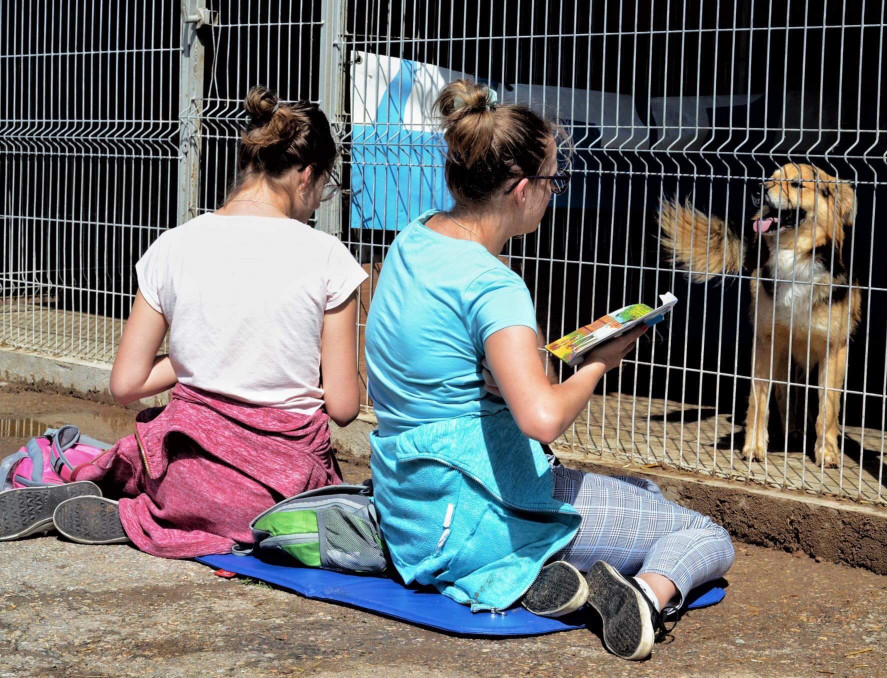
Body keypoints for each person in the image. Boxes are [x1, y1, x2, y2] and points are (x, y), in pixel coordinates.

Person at [363, 80, 734, 661]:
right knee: (702, 533)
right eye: (553, 181)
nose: (555, 193)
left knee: (645, 492)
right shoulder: (493, 285)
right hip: (479, 517)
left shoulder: (415, 238)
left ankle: (541, 575)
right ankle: (641, 595)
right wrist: (598, 363)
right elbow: (540, 420)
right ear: (519, 189)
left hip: (411, 507)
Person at [0, 86, 367, 557]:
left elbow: (127, 384)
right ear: (306, 176)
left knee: (146, 446)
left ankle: (135, 506)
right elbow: (343, 408)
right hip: (279, 499)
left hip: (183, 482)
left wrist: (196, 351)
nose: (319, 202)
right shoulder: (329, 257)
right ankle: (161, 515)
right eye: (324, 187)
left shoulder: (172, 246)